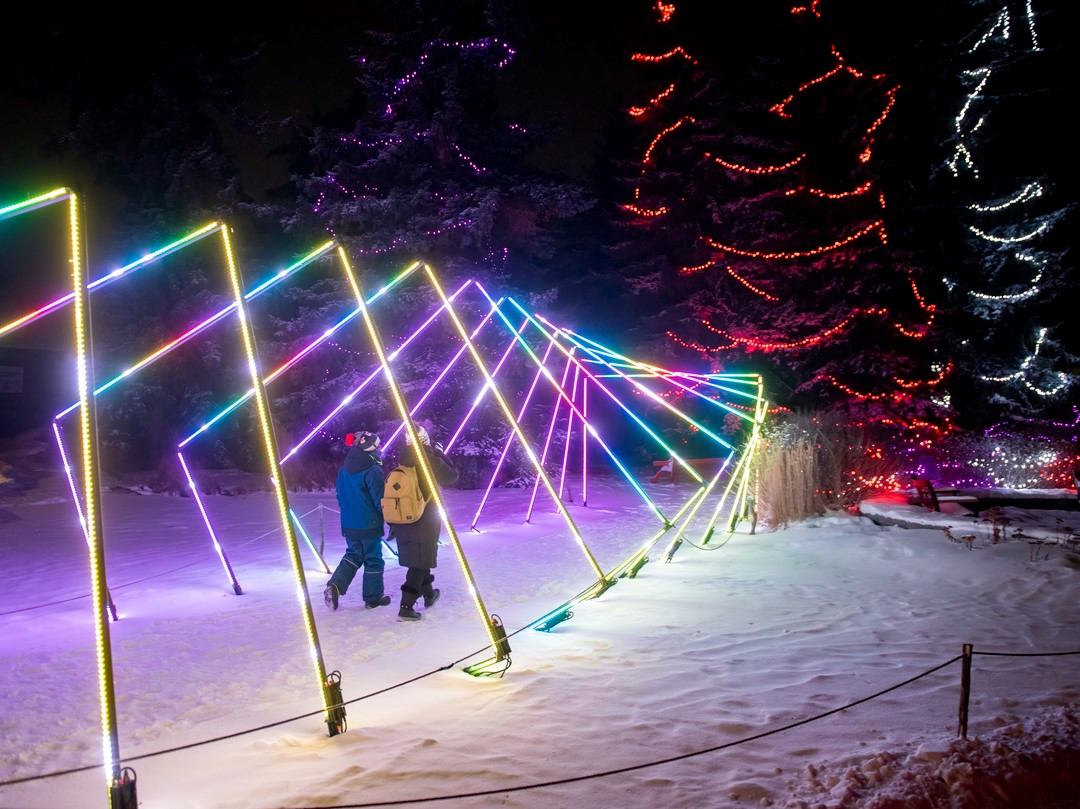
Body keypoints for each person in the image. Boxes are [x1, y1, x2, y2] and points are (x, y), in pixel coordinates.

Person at [390, 425, 457, 621]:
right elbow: (452, 476)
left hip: (404, 516)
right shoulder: (428, 458)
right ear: (424, 439)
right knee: (420, 562)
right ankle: (406, 606)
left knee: (420, 557)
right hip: (424, 517)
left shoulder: (403, 457)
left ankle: (428, 594)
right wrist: (440, 454)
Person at [325, 431, 391, 610]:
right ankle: (373, 598)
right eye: (378, 445)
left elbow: (340, 495)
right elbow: (380, 499)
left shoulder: (344, 469)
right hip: (369, 523)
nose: (380, 448)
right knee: (373, 559)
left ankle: (335, 585)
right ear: (371, 447)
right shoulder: (373, 470)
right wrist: (389, 519)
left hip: (349, 523)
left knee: (354, 555)